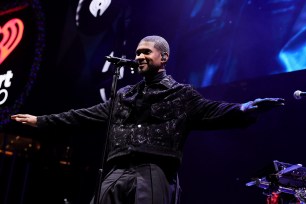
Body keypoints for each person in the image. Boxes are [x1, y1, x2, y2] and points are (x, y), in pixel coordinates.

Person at [11, 35, 285, 204]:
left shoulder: (181, 94)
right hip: (115, 170)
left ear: (163, 57)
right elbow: (83, 116)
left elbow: (214, 110)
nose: (139, 56)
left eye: (146, 52)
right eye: (138, 52)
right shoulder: (124, 95)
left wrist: (246, 107)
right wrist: (41, 120)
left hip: (154, 171)